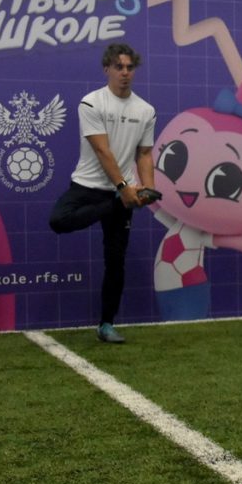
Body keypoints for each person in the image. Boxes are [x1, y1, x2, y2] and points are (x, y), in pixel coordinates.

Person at [48, 43, 159, 344]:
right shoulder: (91, 103)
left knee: (115, 260)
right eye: (119, 67)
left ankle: (106, 325)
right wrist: (123, 190)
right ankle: (115, 204)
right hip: (88, 187)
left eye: (129, 67)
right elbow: (102, 150)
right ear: (106, 69)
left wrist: (147, 190)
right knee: (58, 220)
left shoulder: (146, 110)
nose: (125, 73)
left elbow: (144, 154)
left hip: (123, 191)